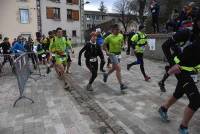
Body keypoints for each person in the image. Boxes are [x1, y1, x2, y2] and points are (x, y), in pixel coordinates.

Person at [158, 39, 200, 134]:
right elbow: (166, 47)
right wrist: (172, 66)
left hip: (190, 72)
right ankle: (183, 127)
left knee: (178, 93)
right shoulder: (192, 43)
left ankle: (163, 109)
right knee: (196, 101)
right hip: (182, 71)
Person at [158, 8, 200, 92]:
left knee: (185, 79)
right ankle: (162, 82)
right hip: (178, 55)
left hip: (189, 60)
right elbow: (166, 45)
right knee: (171, 70)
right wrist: (173, 62)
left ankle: (180, 90)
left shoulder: (195, 31)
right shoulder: (185, 29)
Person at [102, 24, 128, 93]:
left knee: (114, 68)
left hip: (119, 54)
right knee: (118, 69)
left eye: (118, 29)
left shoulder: (121, 35)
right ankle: (121, 85)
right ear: (112, 30)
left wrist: (124, 46)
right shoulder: (109, 37)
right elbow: (103, 46)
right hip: (112, 54)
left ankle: (106, 75)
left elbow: (122, 42)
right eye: (116, 29)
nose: (118, 31)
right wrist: (107, 51)